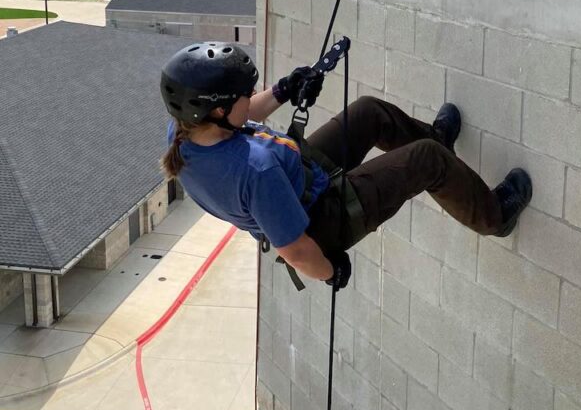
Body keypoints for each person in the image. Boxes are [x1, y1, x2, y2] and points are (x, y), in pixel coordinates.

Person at [159, 42, 532, 290]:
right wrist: (330, 271)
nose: (249, 98)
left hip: (299, 176)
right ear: (220, 110)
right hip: (324, 221)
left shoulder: (186, 132)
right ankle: (496, 217)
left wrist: (285, 89)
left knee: (369, 112)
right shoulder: (254, 172)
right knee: (425, 161)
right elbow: (296, 251)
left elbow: (244, 114)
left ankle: (440, 140)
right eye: (244, 94)